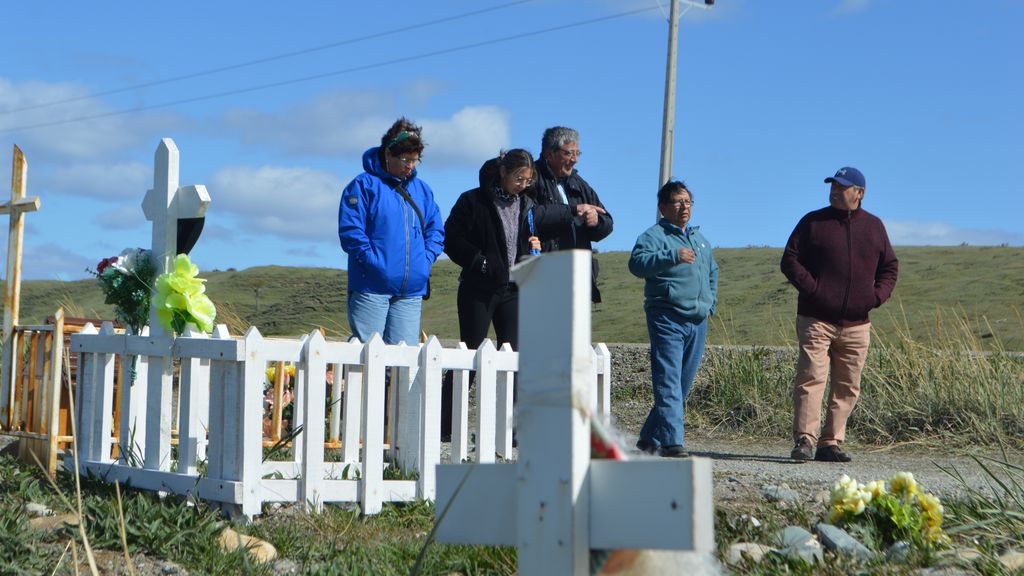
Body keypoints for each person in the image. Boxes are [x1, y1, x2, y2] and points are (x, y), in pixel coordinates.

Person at [781, 166, 898, 462]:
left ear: (859, 193)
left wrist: (875, 297)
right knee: (811, 378)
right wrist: (815, 290)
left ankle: (830, 442)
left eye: (842, 187)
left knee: (848, 385)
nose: (834, 191)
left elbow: (890, 267)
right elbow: (790, 260)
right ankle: (804, 441)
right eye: (832, 185)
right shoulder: (812, 222)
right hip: (815, 318)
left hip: (857, 323)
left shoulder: (874, 226)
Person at [440, 149, 549, 440]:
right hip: (479, 288)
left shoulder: (528, 203)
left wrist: (534, 245)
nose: (522, 184)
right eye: (518, 178)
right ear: (503, 172)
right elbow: (450, 238)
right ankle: (444, 427)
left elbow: (527, 240)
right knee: (470, 353)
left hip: (514, 290)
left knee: (513, 358)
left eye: (527, 179)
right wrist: (480, 262)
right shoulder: (472, 200)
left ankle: (512, 431)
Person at [628, 180, 718, 458]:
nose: (684, 207)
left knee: (682, 383)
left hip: (697, 320)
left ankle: (648, 439)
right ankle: (671, 442)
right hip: (667, 316)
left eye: (688, 202)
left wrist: (709, 303)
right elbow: (637, 265)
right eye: (678, 202)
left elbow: (712, 271)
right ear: (663, 207)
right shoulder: (653, 236)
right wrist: (671, 255)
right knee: (668, 380)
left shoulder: (700, 240)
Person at [338, 117, 445, 346]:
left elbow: (436, 230)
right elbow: (351, 232)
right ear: (388, 154)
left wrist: (423, 261)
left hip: (411, 290)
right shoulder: (363, 185)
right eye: (405, 159)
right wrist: (375, 264)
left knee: (402, 364)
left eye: (415, 160)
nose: (410, 166)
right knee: (367, 358)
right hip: (371, 287)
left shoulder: (423, 190)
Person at [531, 126, 613, 302]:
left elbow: (607, 220)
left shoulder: (579, 183)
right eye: (568, 153)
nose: (574, 160)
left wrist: (596, 221)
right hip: (544, 273)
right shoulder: (532, 179)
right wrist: (574, 211)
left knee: (575, 329)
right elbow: (531, 216)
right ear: (549, 153)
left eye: (578, 153)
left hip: (578, 275)